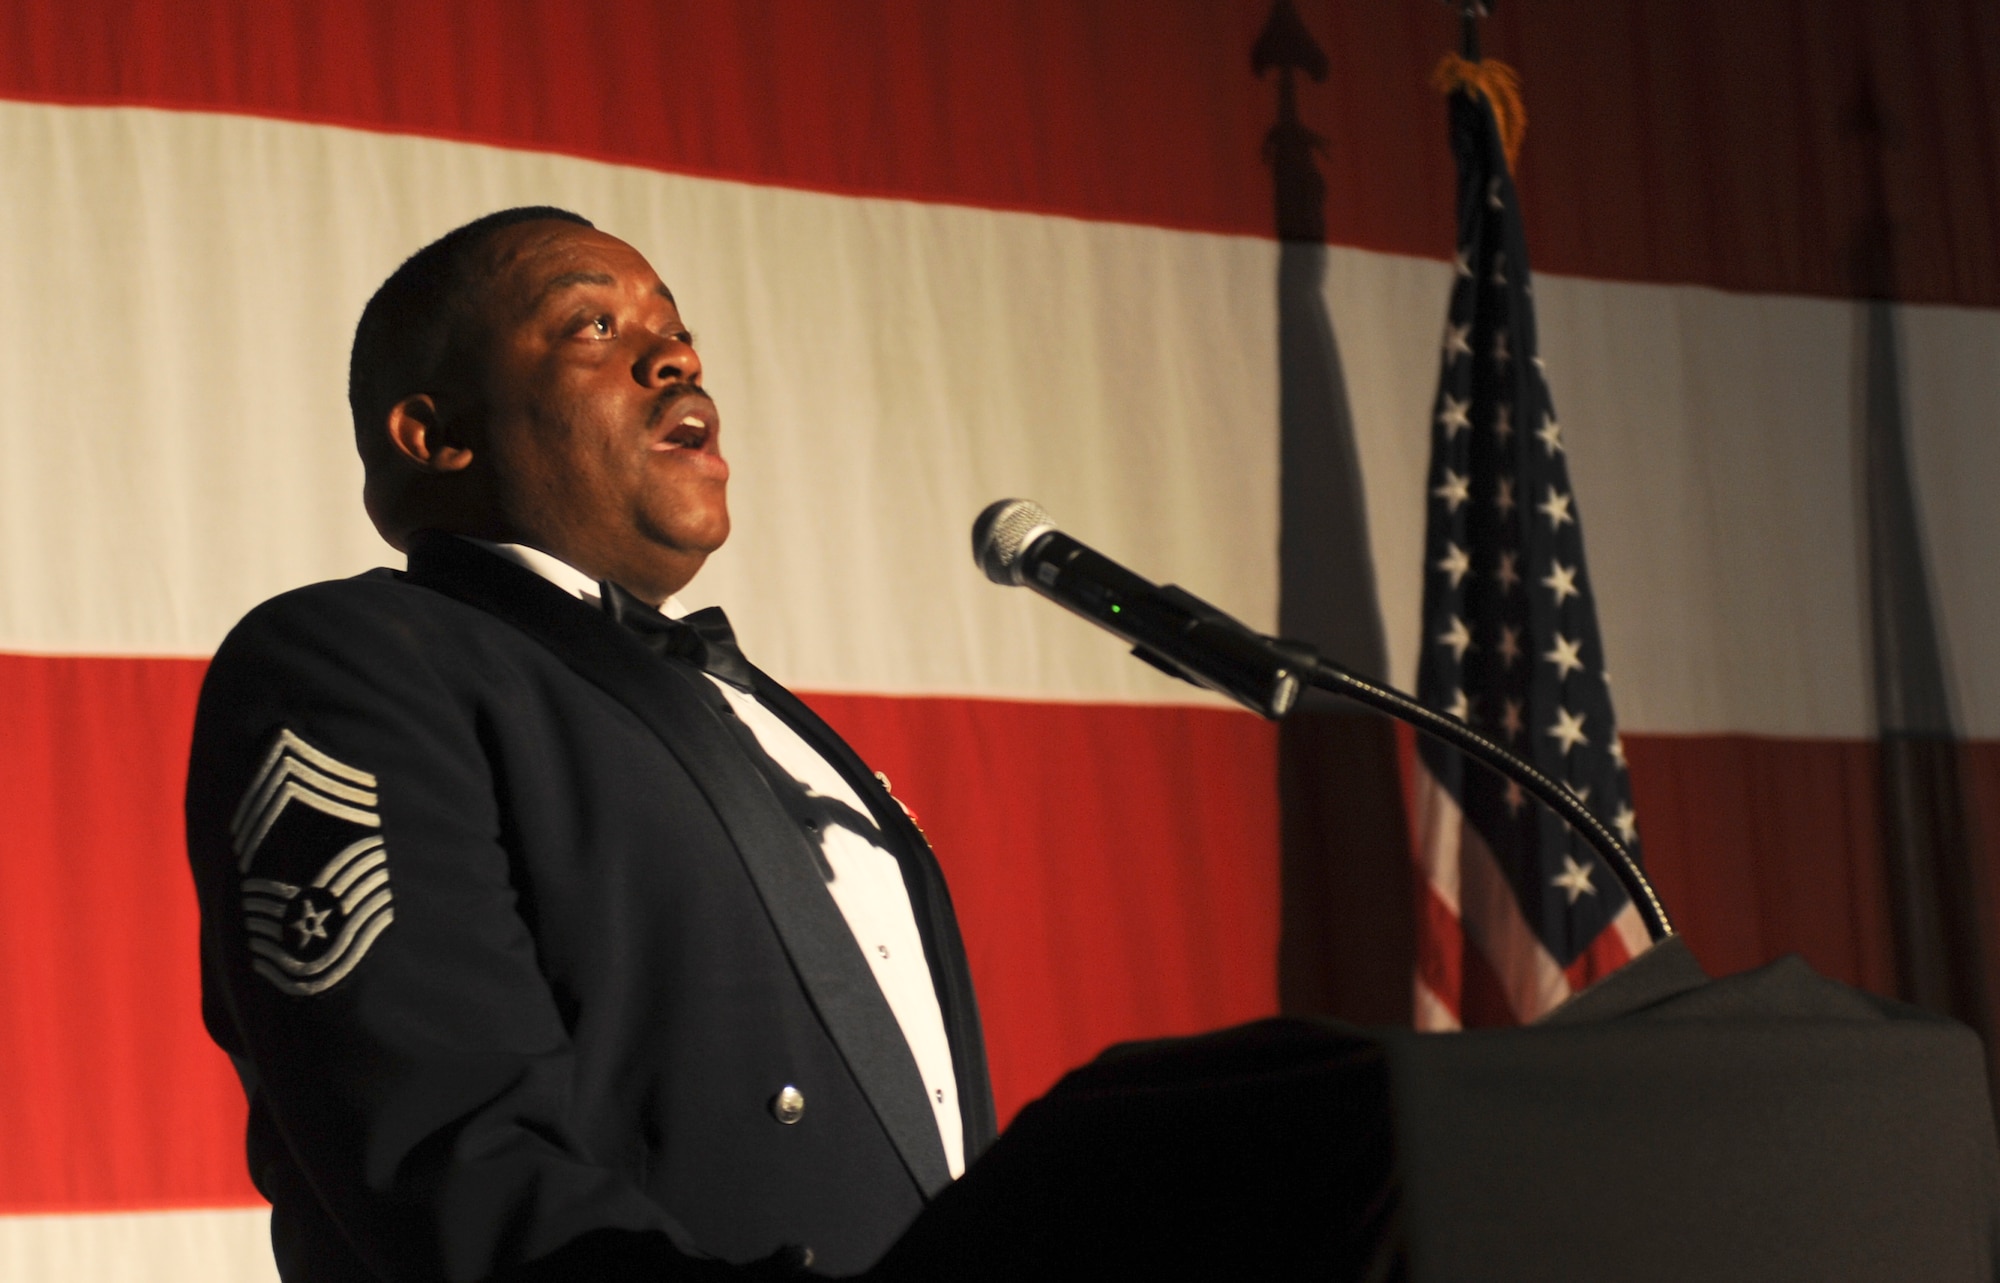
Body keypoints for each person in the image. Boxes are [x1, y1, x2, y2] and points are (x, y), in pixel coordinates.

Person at [184, 207, 994, 1282]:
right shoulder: (354, 662)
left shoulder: (751, 709)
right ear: (433, 435)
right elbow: (449, 1155)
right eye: (593, 327)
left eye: (673, 325)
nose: (678, 355)